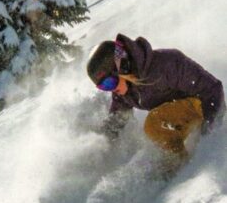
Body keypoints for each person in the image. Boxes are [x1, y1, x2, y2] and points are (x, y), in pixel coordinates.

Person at [86, 34, 225, 165]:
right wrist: (99, 147)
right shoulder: (124, 92)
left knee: (154, 123)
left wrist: (210, 136)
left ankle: (187, 164)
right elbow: (116, 120)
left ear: (123, 66)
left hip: (203, 105)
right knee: (155, 129)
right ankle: (180, 165)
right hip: (182, 115)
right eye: (104, 87)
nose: (111, 89)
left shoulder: (166, 65)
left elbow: (213, 89)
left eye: (109, 82)